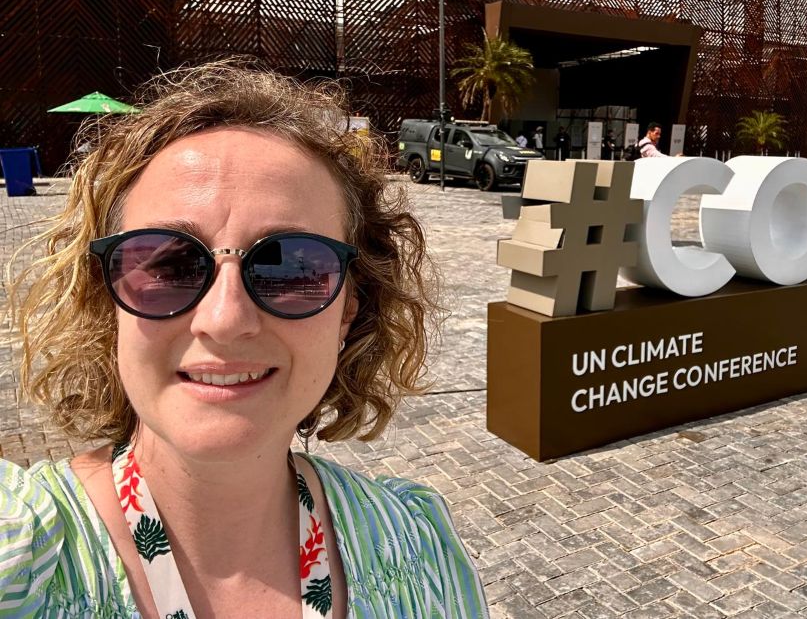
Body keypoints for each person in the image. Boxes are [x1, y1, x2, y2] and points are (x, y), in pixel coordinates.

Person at [2, 61, 488, 618]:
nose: (225, 319)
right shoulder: (22, 554)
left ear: (348, 313)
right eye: (167, 265)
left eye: (289, 268)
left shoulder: (418, 545)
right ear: (107, 299)